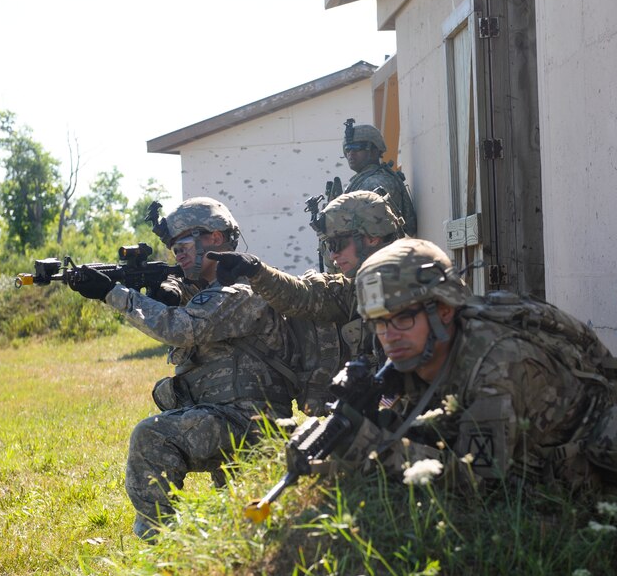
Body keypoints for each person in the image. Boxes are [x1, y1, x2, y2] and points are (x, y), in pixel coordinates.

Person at [338, 238, 617, 575]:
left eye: (402, 317)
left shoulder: (497, 364)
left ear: (444, 310)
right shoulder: (422, 351)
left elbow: (476, 481)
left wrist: (373, 449)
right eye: (379, 323)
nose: (389, 336)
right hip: (547, 469)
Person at [68, 197, 294, 541]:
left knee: (152, 435)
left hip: (251, 423)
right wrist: (167, 291)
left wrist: (113, 293)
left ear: (215, 239)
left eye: (184, 245)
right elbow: (181, 303)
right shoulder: (206, 290)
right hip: (229, 417)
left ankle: (159, 544)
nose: (179, 255)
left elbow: (181, 328)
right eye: (174, 248)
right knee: (241, 524)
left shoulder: (241, 291)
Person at [209, 190, 403, 363]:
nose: (333, 255)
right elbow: (303, 296)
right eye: (328, 245)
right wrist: (256, 271)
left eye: (337, 244)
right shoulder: (358, 288)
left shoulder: (416, 285)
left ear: (372, 237)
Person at [337, 119, 417, 237]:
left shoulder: (377, 182)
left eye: (357, 148)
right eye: (347, 149)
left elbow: (370, 230)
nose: (351, 154)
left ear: (374, 151)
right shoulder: (361, 181)